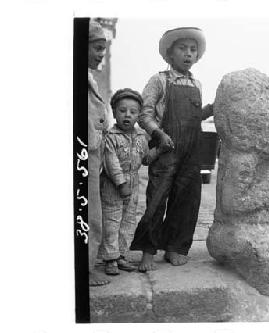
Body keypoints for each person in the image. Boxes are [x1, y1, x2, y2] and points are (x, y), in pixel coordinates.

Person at [130, 27, 214, 272]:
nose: (188, 54)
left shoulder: (196, 83)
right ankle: (147, 252)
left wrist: (212, 107)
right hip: (165, 149)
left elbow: (196, 117)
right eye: (182, 48)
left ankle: (174, 248)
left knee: (186, 202)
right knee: (156, 201)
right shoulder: (159, 80)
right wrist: (159, 134)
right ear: (169, 54)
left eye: (192, 50)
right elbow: (144, 114)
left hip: (191, 151)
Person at [98, 88, 158, 275]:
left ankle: (121, 255)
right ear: (114, 112)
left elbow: (146, 158)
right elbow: (111, 162)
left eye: (133, 112)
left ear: (138, 115)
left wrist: (159, 150)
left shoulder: (141, 136)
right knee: (112, 221)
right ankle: (110, 258)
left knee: (128, 221)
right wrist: (120, 184)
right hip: (113, 185)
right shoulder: (111, 136)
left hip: (133, 183)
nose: (127, 115)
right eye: (122, 110)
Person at [88, 20, 110, 286]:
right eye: (96, 47)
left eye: (103, 48)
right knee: (89, 212)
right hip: (86, 152)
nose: (100, 53)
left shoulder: (89, 77)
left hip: (93, 151)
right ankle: (85, 268)